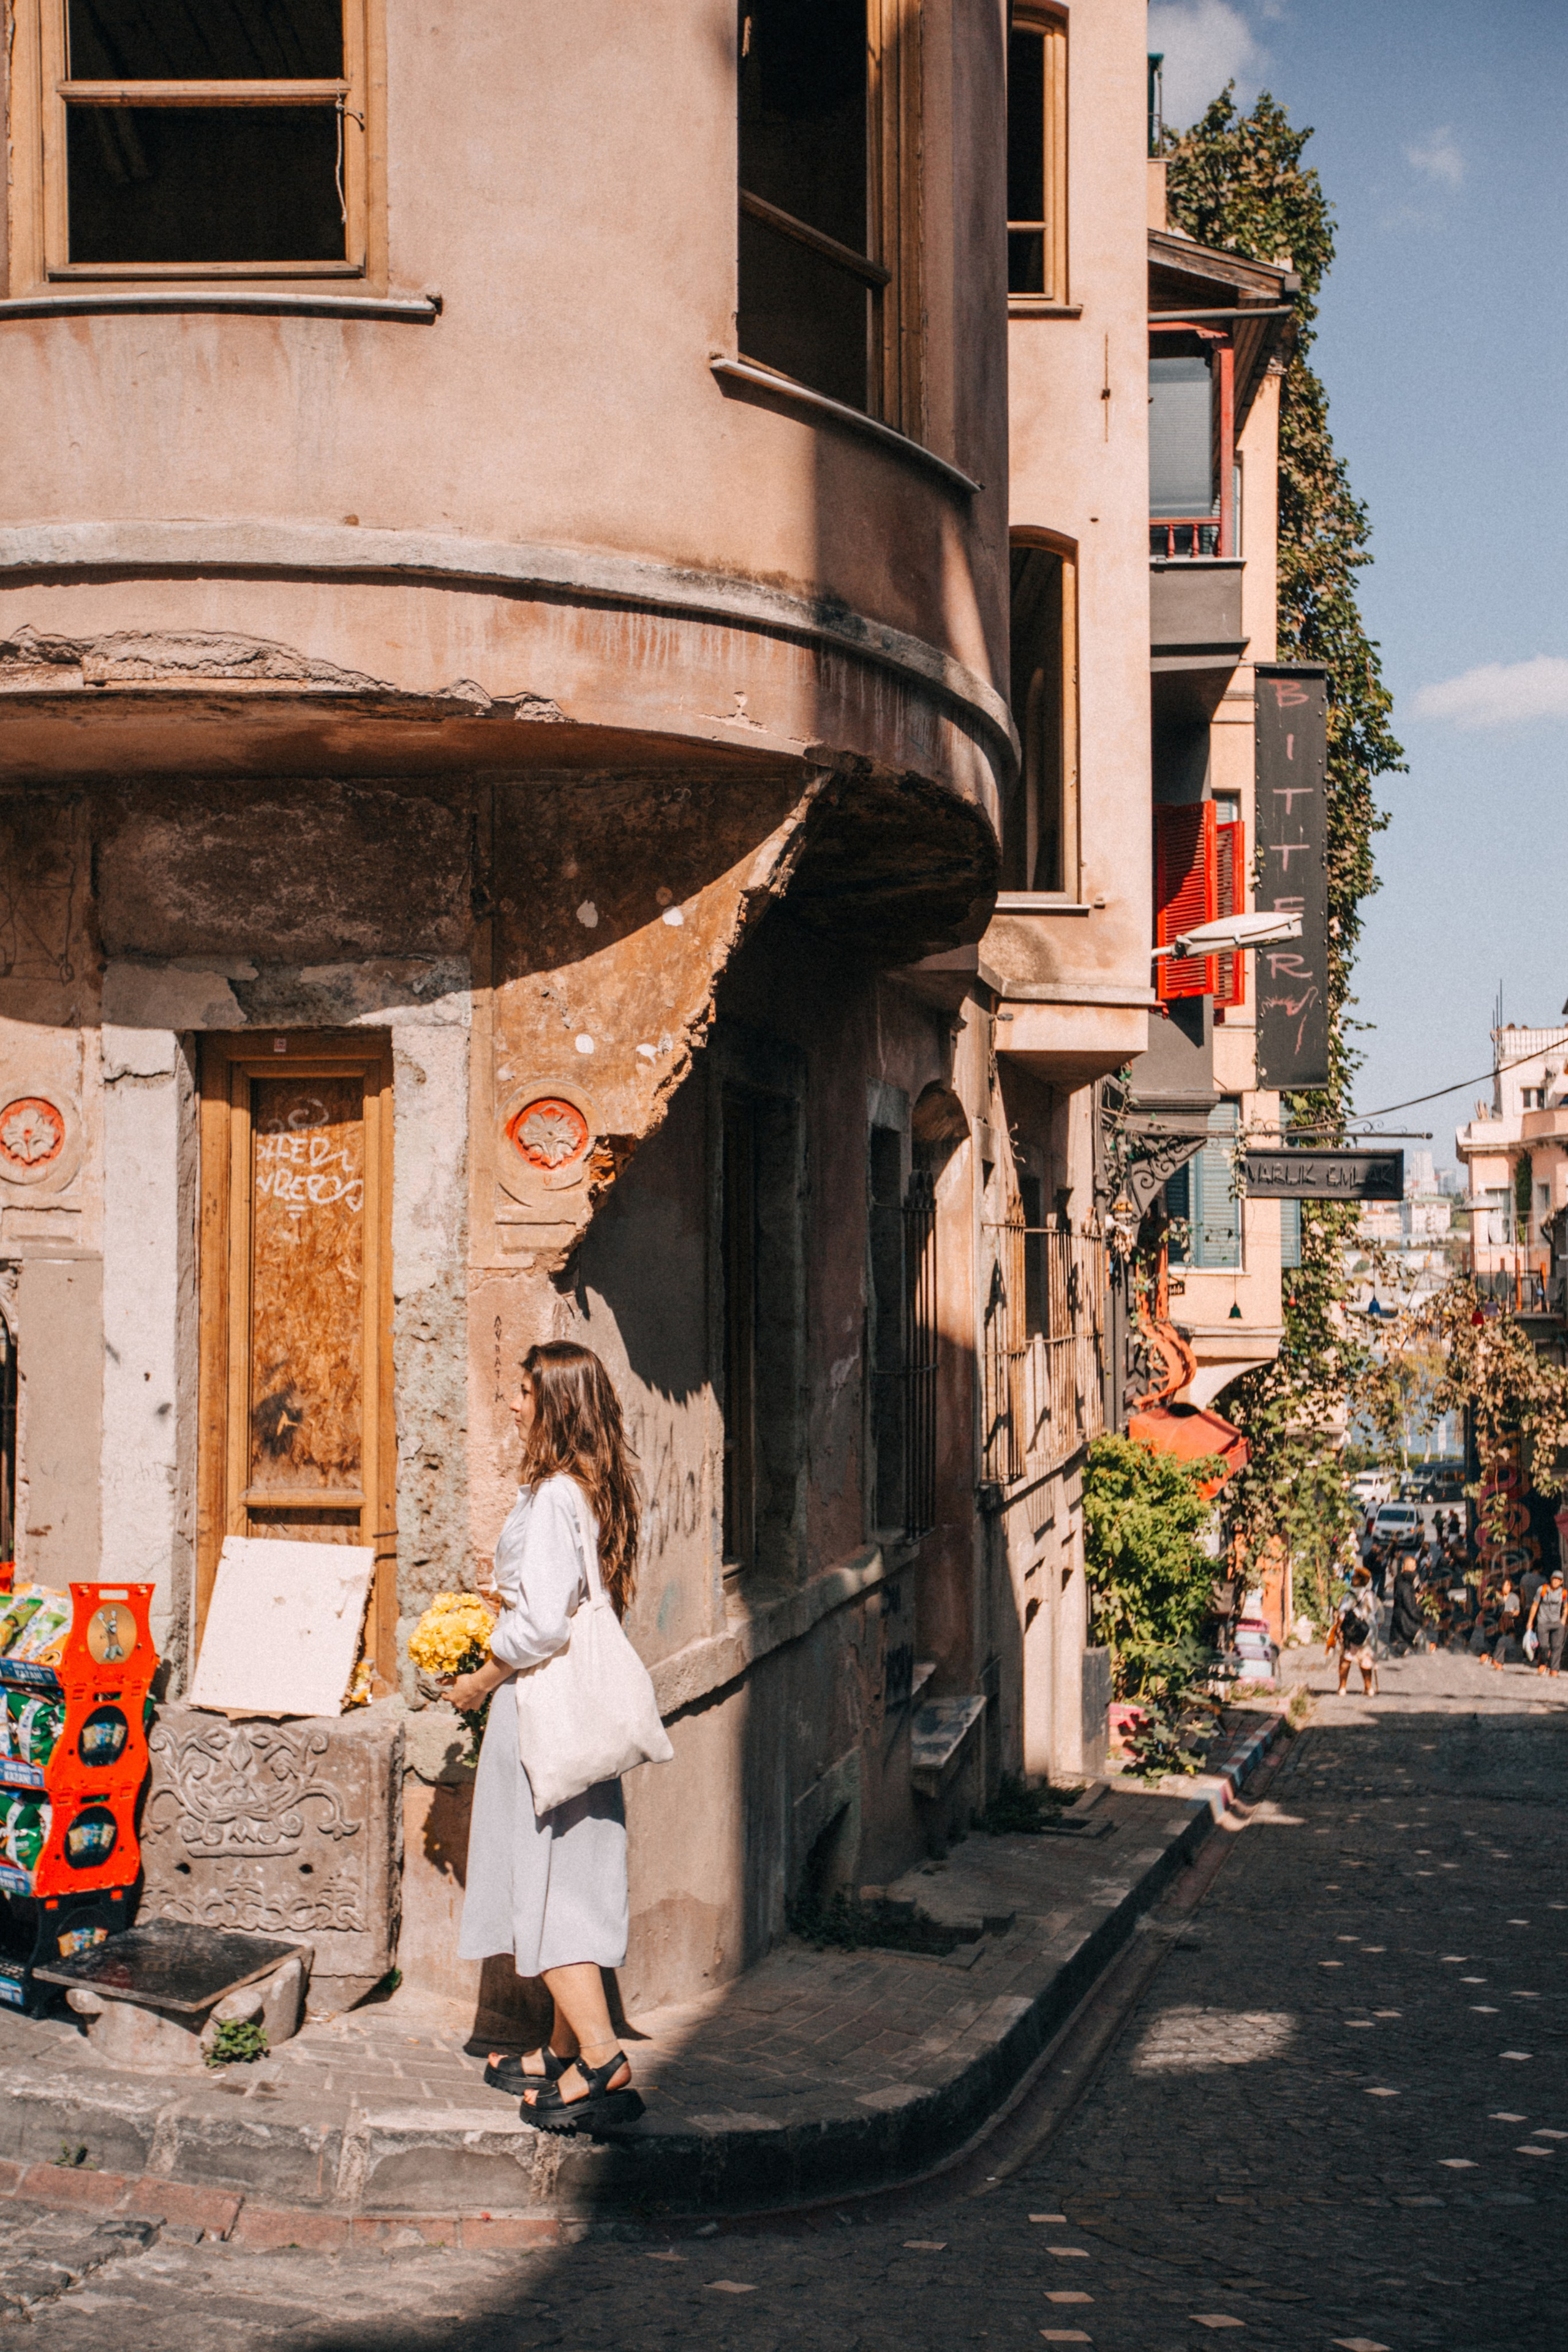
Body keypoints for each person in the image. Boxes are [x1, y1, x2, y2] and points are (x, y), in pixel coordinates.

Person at [447, 1340, 646, 2134]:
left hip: (541, 1715)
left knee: (547, 1889)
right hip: (578, 1719)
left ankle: (600, 2059)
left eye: (525, 1392)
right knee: (572, 1877)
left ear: (556, 1403)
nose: (514, 1403)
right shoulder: (591, 1488)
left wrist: (478, 1678)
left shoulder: (558, 1495)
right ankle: (561, 2053)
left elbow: (540, 1624)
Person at [1335, 1567, 1379, 1697]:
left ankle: (1342, 1687)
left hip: (1352, 1631)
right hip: (1368, 1631)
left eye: (1354, 1577)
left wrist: (1338, 1629)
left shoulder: (1349, 1595)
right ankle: (1368, 1688)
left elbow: (1342, 1614)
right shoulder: (1371, 1595)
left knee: (1346, 1658)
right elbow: (1374, 1612)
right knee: (1366, 1660)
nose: (1352, 1578)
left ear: (1358, 1579)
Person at [1528, 1567, 1567, 1678]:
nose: (1556, 1582)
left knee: (1557, 1647)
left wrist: (1563, 1620)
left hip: (1556, 1623)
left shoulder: (1563, 1593)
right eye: (1554, 1579)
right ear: (1551, 1579)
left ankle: (1554, 1669)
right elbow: (1535, 1605)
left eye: (1558, 1580)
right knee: (1544, 1646)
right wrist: (1530, 1621)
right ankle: (1543, 1663)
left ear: (1561, 1582)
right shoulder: (1543, 1589)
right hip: (1543, 1622)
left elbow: (1566, 1607)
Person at [1389, 1551, 1427, 1656]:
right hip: (1407, 1615)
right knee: (1414, 1633)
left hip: (1398, 1614)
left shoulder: (1398, 1579)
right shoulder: (1411, 1580)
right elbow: (1418, 1594)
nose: (1415, 1567)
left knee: (1401, 1638)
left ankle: (1405, 1648)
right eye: (1414, 1565)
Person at [1483, 1576, 1521, 1672]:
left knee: (1503, 1640)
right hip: (1498, 1620)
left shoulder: (1514, 1597)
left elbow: (1518, 1611)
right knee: (1500, 1640)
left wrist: (1514, 1613)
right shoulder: (1496, 1596)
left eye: (1509, 1586)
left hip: (1509, 1620)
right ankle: (1496, 1659)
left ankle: (1498, 1659)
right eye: (1506, 1585)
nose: (1507, 1588)